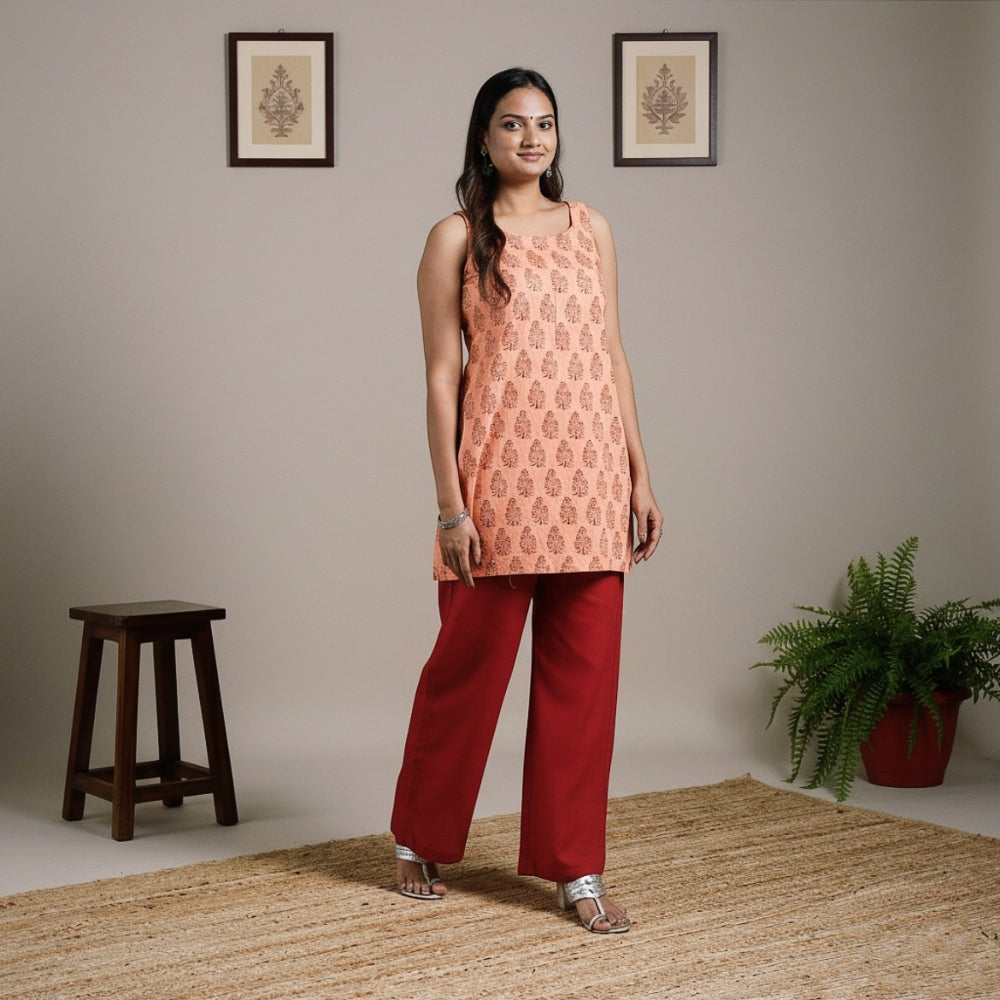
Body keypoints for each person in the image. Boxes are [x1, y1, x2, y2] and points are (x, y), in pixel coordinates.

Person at [390, 67, 662, 935]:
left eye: (544, 123)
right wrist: (450, 505)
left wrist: (639, 474)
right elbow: (442, 377)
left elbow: (611, 354)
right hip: (499, 485)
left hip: (590, 484)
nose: (531, 138)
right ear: (484, 137)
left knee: (584, 692)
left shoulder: (592, 228)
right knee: (465, 676)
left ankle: (576, 868)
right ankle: (419, 835)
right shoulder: (455, 237)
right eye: (512, 124)